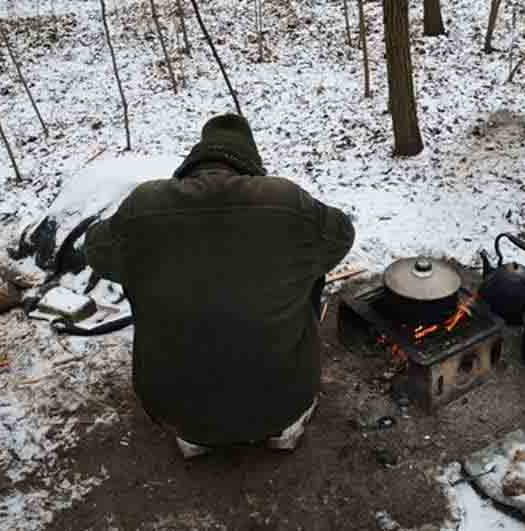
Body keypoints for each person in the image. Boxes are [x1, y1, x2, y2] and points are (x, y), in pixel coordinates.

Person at [84, 113, 355, 458]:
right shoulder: (285, 202)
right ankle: (282, 426)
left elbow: (96, 249)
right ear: (250, 162)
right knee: (310, 268)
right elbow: (342, 234)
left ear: (195, 159)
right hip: (283, 400)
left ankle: (197, 434)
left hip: (174, 409)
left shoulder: (145, 206)